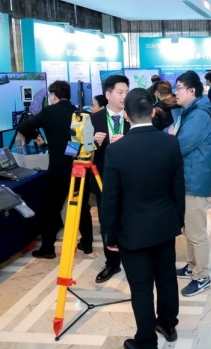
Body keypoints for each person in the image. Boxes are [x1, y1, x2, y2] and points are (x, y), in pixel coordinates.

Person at [100, 88, 184, 349]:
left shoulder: (117, 150)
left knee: (141, 286)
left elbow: (110, 198)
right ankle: (168, 324)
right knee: (166, 278)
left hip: (131, 229)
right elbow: (178, 188)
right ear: (152, 112)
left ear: (126, 115)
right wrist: (178, 221)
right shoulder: (170, 143)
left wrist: (109, 235)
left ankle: (146, 340)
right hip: (164, 225)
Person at [17, 80, 93, 259]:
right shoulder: (80, 112)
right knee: (82, 206)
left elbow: (23, 127)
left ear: (54, 96)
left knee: (52, 209)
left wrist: (36, 136)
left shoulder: (49, 112)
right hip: (80, 166)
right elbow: (82, 140)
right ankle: (87, 243)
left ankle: (48, 248)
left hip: (58, 169)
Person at [170, 71, 211, 297]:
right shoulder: (189, 113)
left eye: (179, 88)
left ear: (191, 91)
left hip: (195, 181)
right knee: (188, 229)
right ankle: (191, 265)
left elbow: (180, 145)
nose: (175, 92)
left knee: (196, 232)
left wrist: (169, 138)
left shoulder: (199, 117)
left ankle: (202, 276)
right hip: (187, 178)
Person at [89, 74, 130, 282]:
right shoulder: (93, 119)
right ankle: (112, 263)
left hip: (130, 180)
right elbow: (73, 150)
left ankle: (132, 258)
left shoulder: (134, 116)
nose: (124, 97)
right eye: (120, 92)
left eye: (126, 92)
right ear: (108, 94)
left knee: (130, 220)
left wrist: (128, 141)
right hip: (103, 180)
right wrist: (92, 142)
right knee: (107, 222)